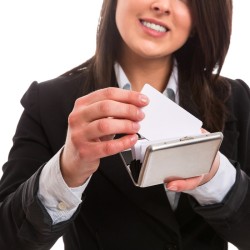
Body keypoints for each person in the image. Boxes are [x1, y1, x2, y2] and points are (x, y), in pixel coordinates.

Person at [0, 0, 249, 249]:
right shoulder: (49, 103)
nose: (162, 5)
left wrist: (217, 177)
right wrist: (66, 171)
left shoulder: (234, 99)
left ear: (200, 19)